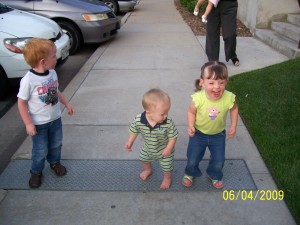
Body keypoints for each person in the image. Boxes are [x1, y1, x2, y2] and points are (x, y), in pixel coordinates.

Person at [17, 38, 75, 188]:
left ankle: (55, 162)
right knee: (40, 149)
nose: (56, 58)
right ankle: (36, 171)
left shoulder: (52, 73)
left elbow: (55, 91)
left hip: (55, 119)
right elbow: (21, 103)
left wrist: (66, 103)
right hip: (39, 124)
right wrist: (28, 123)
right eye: (54, 56)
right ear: (43, 61)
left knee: (56, 144)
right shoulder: (28, 80)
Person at [182, 61, 238, 189]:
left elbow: (234, 109)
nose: (217, 87)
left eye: (221, 83)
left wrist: (233, 125)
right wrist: (190, 125)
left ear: (226, 82)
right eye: (211, 83)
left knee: (219, 159)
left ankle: (214, 174)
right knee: (193, 157)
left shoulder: (229, 98)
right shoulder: (198, 98)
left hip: (218, 135)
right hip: (198, 134)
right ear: (202, 82)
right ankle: (190, 173)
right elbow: (191, 111)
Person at [125, 88, 179, 190]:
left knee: (167, 166)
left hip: (164, 150)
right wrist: (130, 141)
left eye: (167, 112)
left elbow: (173, 137)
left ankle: (167, 178)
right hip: (148, 148)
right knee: (143, 158)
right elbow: (134, 130)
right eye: (162, 114)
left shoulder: (168, 123)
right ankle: (148, 170)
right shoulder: (138, 120)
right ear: (149, 113)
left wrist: (169, 148)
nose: (166, 116)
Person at [205, 0, 240, 66]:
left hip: (229, 5)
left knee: (230, 34)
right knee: (212, 33)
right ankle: (213, 60)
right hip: (212, 4)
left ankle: (232, 55)